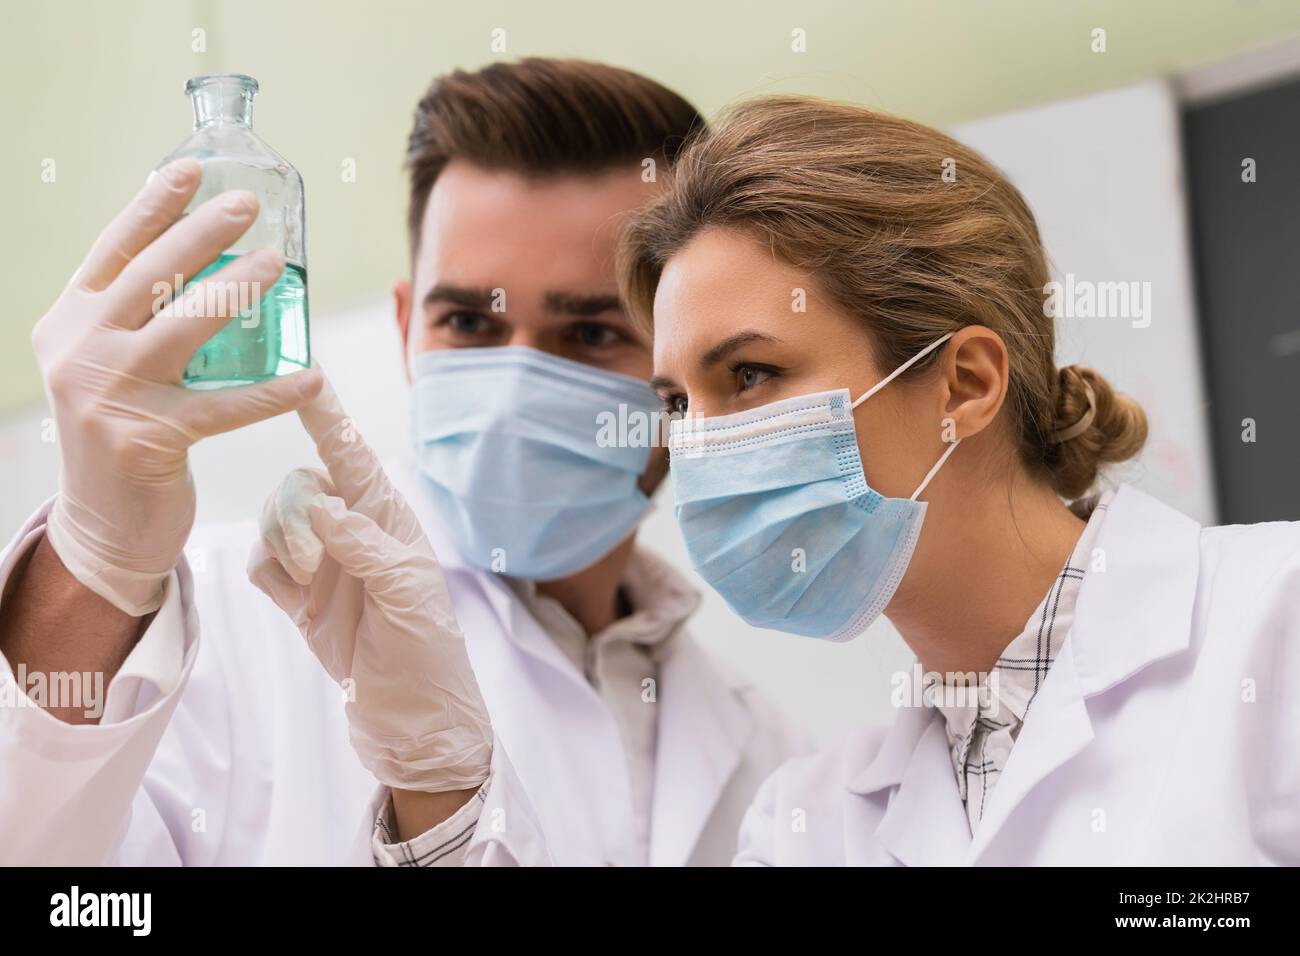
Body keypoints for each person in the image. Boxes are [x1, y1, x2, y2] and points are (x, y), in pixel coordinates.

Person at [0, 60, 805, 867]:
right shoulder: (234, 618)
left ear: (687, 364)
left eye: (592, 334)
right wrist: (92, 561)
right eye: (467, 321)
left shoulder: (767, 752)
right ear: (405, 324)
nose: (509, 391)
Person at [614, 96, 1300, 865]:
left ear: (965, 385)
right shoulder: (805, 824)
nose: (701, 444)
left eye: (750, 373)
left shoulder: (1277, 626)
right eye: (676, 402)